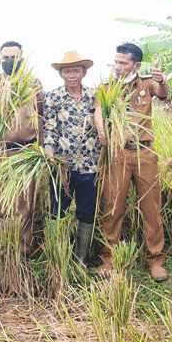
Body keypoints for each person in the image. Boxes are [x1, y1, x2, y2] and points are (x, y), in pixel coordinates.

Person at [94, 43, 169, 282]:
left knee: (151, 208)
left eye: (123, 63)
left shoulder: (146, 84)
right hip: (116, 154)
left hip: (145, 154)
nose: (117, 67)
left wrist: (162, 79)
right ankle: (109, 260)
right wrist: (100, 130)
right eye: (116, 62)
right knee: (112, 207)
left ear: (136, 65)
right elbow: (97, 110)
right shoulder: (107, 88)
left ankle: (156, 260)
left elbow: (163, 92)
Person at [0, 41, 44, 255]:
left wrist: (40, 149)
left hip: (25, 152)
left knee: (23, 205)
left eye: (14, 58)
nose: (9, 62)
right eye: (6, 58)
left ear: (22, 60)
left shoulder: (33, 84)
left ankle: (21, 251)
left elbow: (41, 116)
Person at [43, 51, 100, 266]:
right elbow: (49, 127)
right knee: (57, 209)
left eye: (76, 70)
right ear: (61, 74)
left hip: (89, 165)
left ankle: (81, 259)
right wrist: (49, 152)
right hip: (62, 165)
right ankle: (56, 256)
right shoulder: (53, 97)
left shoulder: (95, 96)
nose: (72, 75)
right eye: (67, 71)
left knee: (86, 211)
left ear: (84, 72)